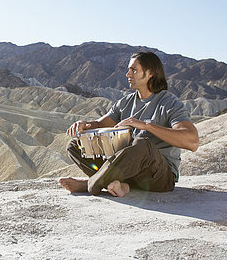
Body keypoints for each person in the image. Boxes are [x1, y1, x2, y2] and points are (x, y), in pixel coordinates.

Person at [59, 51, 199, 197]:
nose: (128, 74)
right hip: (128, 171)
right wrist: (85, 124)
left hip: (159, 176)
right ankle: (120, 185)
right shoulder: (126, 102)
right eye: (128, 70)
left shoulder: (169, 103)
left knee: (142, 144)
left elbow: (193, 142)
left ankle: (91, 184)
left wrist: (146, 126)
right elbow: (101, 125)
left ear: (150, 73)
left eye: (134, 70)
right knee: (76, 145)